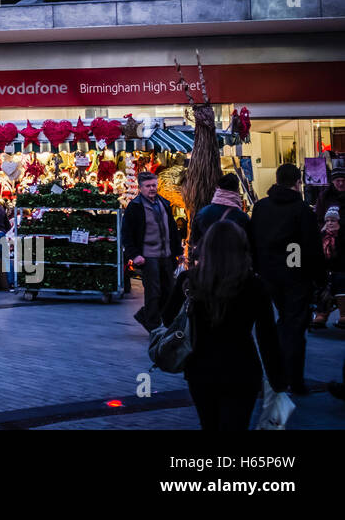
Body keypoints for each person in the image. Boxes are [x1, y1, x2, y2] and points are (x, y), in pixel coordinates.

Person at [160, 219, 288, 430]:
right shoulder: (254, 285)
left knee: (209, 424)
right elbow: (267, 337)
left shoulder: (189, 281)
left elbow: (167, 318)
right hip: (242, 369)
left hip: (200, 369)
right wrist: (277, 380)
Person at [251, 163, 326, 393]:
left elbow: (253, 241)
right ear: (297, 182)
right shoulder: (302, 210)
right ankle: (294, 378)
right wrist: (320, 280)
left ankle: (276, 375)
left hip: (267, 275)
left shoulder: (261, 207)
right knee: (293, 327)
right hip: (295, 276)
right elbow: (311, 248)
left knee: (272, 327)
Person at [123, 171, 183, 333]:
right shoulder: (134, 207)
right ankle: (153, 325)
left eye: (154, 185)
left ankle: (147, 315)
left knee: (169, 291)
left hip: (166, 255)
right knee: (153, 291)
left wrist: (178, 251)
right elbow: (126, 234)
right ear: (141, 188)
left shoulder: (164, 203)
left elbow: (172, 229)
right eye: (148, 186)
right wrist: (134, 255)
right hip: (148, 256)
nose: (152, 189)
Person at [190, 173, 251, 259]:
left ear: (219, 188)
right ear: (237, 190)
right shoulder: (242, 217)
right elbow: (247, 245)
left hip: (208, 264)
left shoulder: (202, 213)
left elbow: (195, 240)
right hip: (232, 265)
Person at [312, 207, 343, 329]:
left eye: (333, 221)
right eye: (328, 220)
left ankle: (343, 314)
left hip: (340, 268)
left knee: (340, 279)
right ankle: (321, 314)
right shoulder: (322, 236)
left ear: (339, 222)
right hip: (326, 269)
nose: (330, 223)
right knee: (321, 281)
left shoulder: (342, 236)